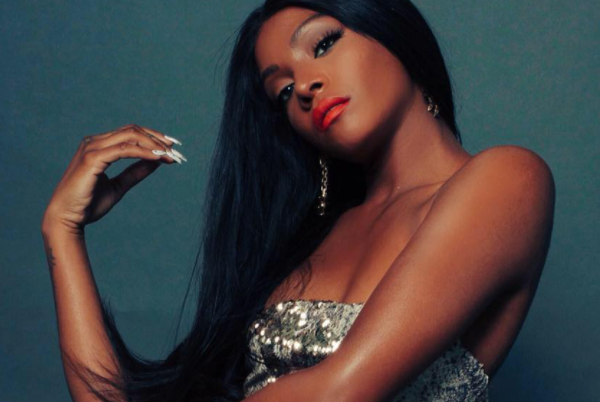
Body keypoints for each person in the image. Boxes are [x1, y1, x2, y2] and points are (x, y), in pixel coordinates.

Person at [40, 0, 556, 401]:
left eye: (323, 44)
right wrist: (62, 229)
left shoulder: (507, 181)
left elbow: (340, 391)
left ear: (390, 29)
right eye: (283, 93)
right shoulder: (308, 238)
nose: (305, 86)